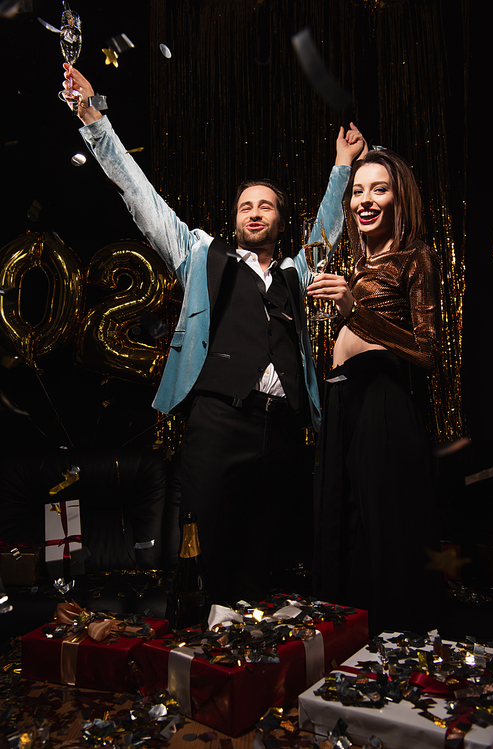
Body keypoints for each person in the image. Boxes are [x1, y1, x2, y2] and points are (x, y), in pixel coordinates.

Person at [62, 64, 365, 604]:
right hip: (220, 420)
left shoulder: (298, 271)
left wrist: (343, 165)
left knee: (271, 554)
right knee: (207, 552)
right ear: (234, 219)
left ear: (280, 219)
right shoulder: (201, 256)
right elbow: (142, 196)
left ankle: (261, 666)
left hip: (284, 429)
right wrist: (94, 119)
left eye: (266, 204)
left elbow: (327, 229)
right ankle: (206, 655)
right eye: (246, 205)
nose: (255, 211)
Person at [307, 147, 442, 634]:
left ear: (398, 197)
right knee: (346, 528)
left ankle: (396, 644)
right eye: (358, 192)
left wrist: (353, 310)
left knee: (386, 531)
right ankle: (348, 648)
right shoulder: (359, 266)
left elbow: (428, 351)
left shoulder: (415, 256)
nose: (365, 201)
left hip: (385, 401)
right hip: (345, 401)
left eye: (378, 189)